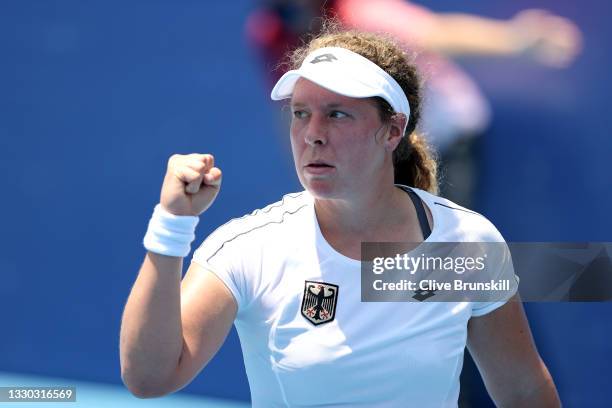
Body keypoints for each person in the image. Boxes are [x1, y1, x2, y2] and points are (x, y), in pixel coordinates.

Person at [119, 27, 560, 407]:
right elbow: (150, 378)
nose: (312, 135)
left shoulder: (466, 243)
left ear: (392, 130)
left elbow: (522, 390)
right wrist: (171, 226)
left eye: (337, 114)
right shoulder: (251, 248)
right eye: (300, 114)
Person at [246, 0, 582, 208]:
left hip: (445, 135)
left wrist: (516, 41)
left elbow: (437, 34)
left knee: (435, 245)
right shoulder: (270, 33)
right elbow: (292, 108)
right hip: (379, 151)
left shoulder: (363, 12)